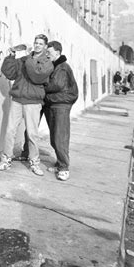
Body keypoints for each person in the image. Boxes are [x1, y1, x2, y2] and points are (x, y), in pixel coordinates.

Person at [0, 34, 54, 176]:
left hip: (33, 102)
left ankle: (34, 162)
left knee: (32, 134)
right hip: (17, 99)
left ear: (45, 46)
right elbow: (9, 73)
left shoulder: (47, 62)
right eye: (36, 42)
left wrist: (29, 58)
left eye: (40, 43)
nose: (37, 45)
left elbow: (36, 75)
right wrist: (11, 55)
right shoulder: (24, 59)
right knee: (10, 131)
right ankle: (6, 159)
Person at [43, 41, 79, 182]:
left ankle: (64, 168)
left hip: (61, 104)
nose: (47, 55)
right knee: (54, 136)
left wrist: (42, 84)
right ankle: (59, 164)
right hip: (54, 103)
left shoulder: (62, 67)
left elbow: (56, 84)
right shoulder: (56, 65)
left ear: (57, 53)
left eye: (49, 53)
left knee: (60, 137)